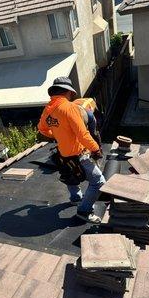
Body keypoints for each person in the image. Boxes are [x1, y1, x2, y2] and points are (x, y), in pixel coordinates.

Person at [38, 77, 105, 223]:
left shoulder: (48, 109)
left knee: (70, 173)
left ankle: (76, 199)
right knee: (98, 181)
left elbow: (42, 129)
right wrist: (95, 149)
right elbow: (83, 134)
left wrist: (57, 135)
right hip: (78, 154)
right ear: (68, 92)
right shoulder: (70, 108)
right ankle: (84, 211)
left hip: (63, 153)